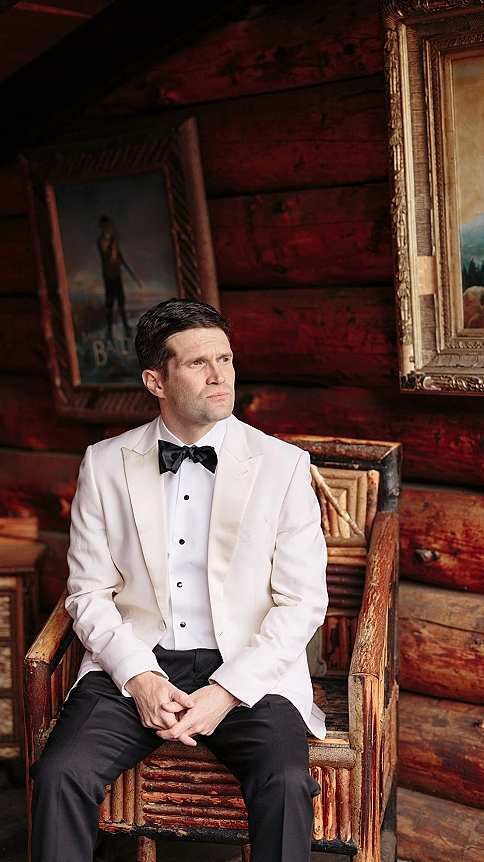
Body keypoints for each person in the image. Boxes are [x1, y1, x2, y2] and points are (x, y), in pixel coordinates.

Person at [30, 298, 328, 862]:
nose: (220, 376)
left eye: (226, 359)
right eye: (197, 363)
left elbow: (302, 602)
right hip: (135, 661)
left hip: (248, 669)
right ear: (156, 381)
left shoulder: (283, 465)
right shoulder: (104, 463)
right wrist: (138, 676)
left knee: (286, 783)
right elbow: (88, 593)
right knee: (60, 773)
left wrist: (227, 691)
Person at [97, 215, 142, 340]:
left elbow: (119, 256)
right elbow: (106, 257)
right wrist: (112, 244)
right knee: (110, 302)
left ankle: (125, 325)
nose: (108, 229)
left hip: (116, 275)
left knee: (121, 300)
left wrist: (124, 263)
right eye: (106, 227)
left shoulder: (112, 241)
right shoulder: (102, 242)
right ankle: (109, 329)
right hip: (109, 277)